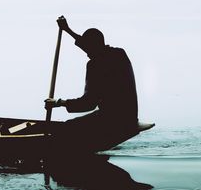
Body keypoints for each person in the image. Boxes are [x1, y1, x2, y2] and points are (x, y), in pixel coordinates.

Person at [45, 16, 139, 152]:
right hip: (130, 116)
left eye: (87, 50)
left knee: (67, 127)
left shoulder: (95, 65)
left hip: (114, 119)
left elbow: (88, 104)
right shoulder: (119, 54)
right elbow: (91, 46)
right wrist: (67, 30)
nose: (86, 54)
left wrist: (59, 102)